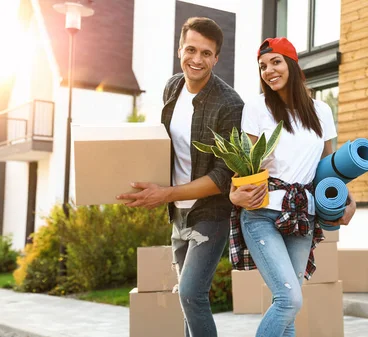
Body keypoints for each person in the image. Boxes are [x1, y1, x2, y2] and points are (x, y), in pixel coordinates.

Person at [116, 17, 244, 337]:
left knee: (191, 293)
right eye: (190, 50)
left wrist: (165, 193)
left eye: (205, 53)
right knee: (185, 300)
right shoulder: (173, 87)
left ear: (216, 58)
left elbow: (223, 176)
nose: (196, 59)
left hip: (210, 213)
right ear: (179, 50)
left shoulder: (229, 104)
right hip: (178, 213)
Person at [228, 37, 357, 337]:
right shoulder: (257, 107)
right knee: (289, 299)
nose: (269, 70)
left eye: (275, 62)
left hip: (302, 215)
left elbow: (328, 166)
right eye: (262, 66)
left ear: (292, 64)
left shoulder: (321, 111)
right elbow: (246, 165)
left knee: (289, 305)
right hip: (262, 214)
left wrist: (347, 200)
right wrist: (235, 191)